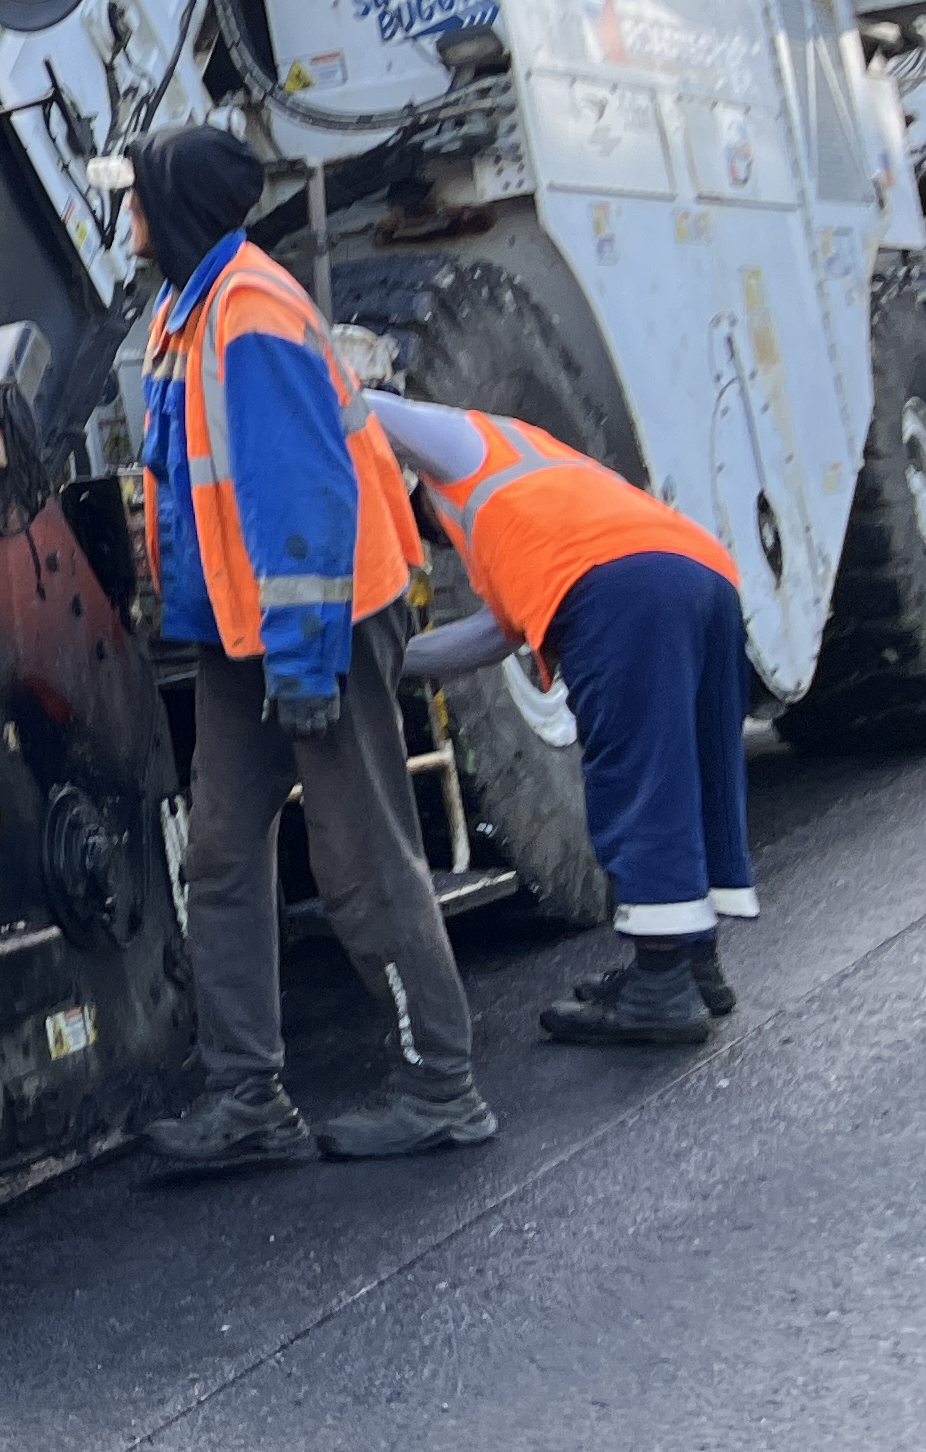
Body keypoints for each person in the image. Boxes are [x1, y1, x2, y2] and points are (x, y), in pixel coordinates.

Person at [123, 124, 496, 1171]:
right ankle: (249, 1100)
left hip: (317, 622)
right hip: (245, 632)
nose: (127, 215)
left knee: (361, 858)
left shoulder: (248, 314)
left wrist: (299, 664)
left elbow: (305, 505)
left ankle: (444, 1086)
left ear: (177, 207)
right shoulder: (185, 309)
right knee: (224, 855)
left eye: (138, 195)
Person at [371, 392, 755, 1044]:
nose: (422, 550)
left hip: (622, 587)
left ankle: (660, 989)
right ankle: (694, 962)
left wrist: (301, 384)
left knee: (635, 774)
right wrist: (385, 662)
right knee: (693, 772)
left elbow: (363, 405)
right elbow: (496, 636)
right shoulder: (529, 493)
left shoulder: (461, 450)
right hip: (699, 573)